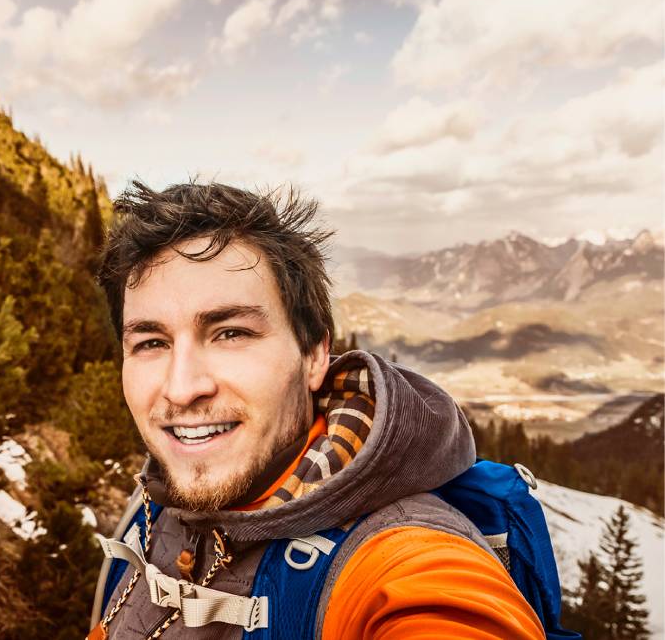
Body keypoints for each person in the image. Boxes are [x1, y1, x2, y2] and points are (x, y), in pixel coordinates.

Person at [89, 181, 546, 639]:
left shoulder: (402, 562)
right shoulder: (151, 507)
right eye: (151, 342)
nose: (183, 388)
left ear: (314, 355)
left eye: (231, 333)